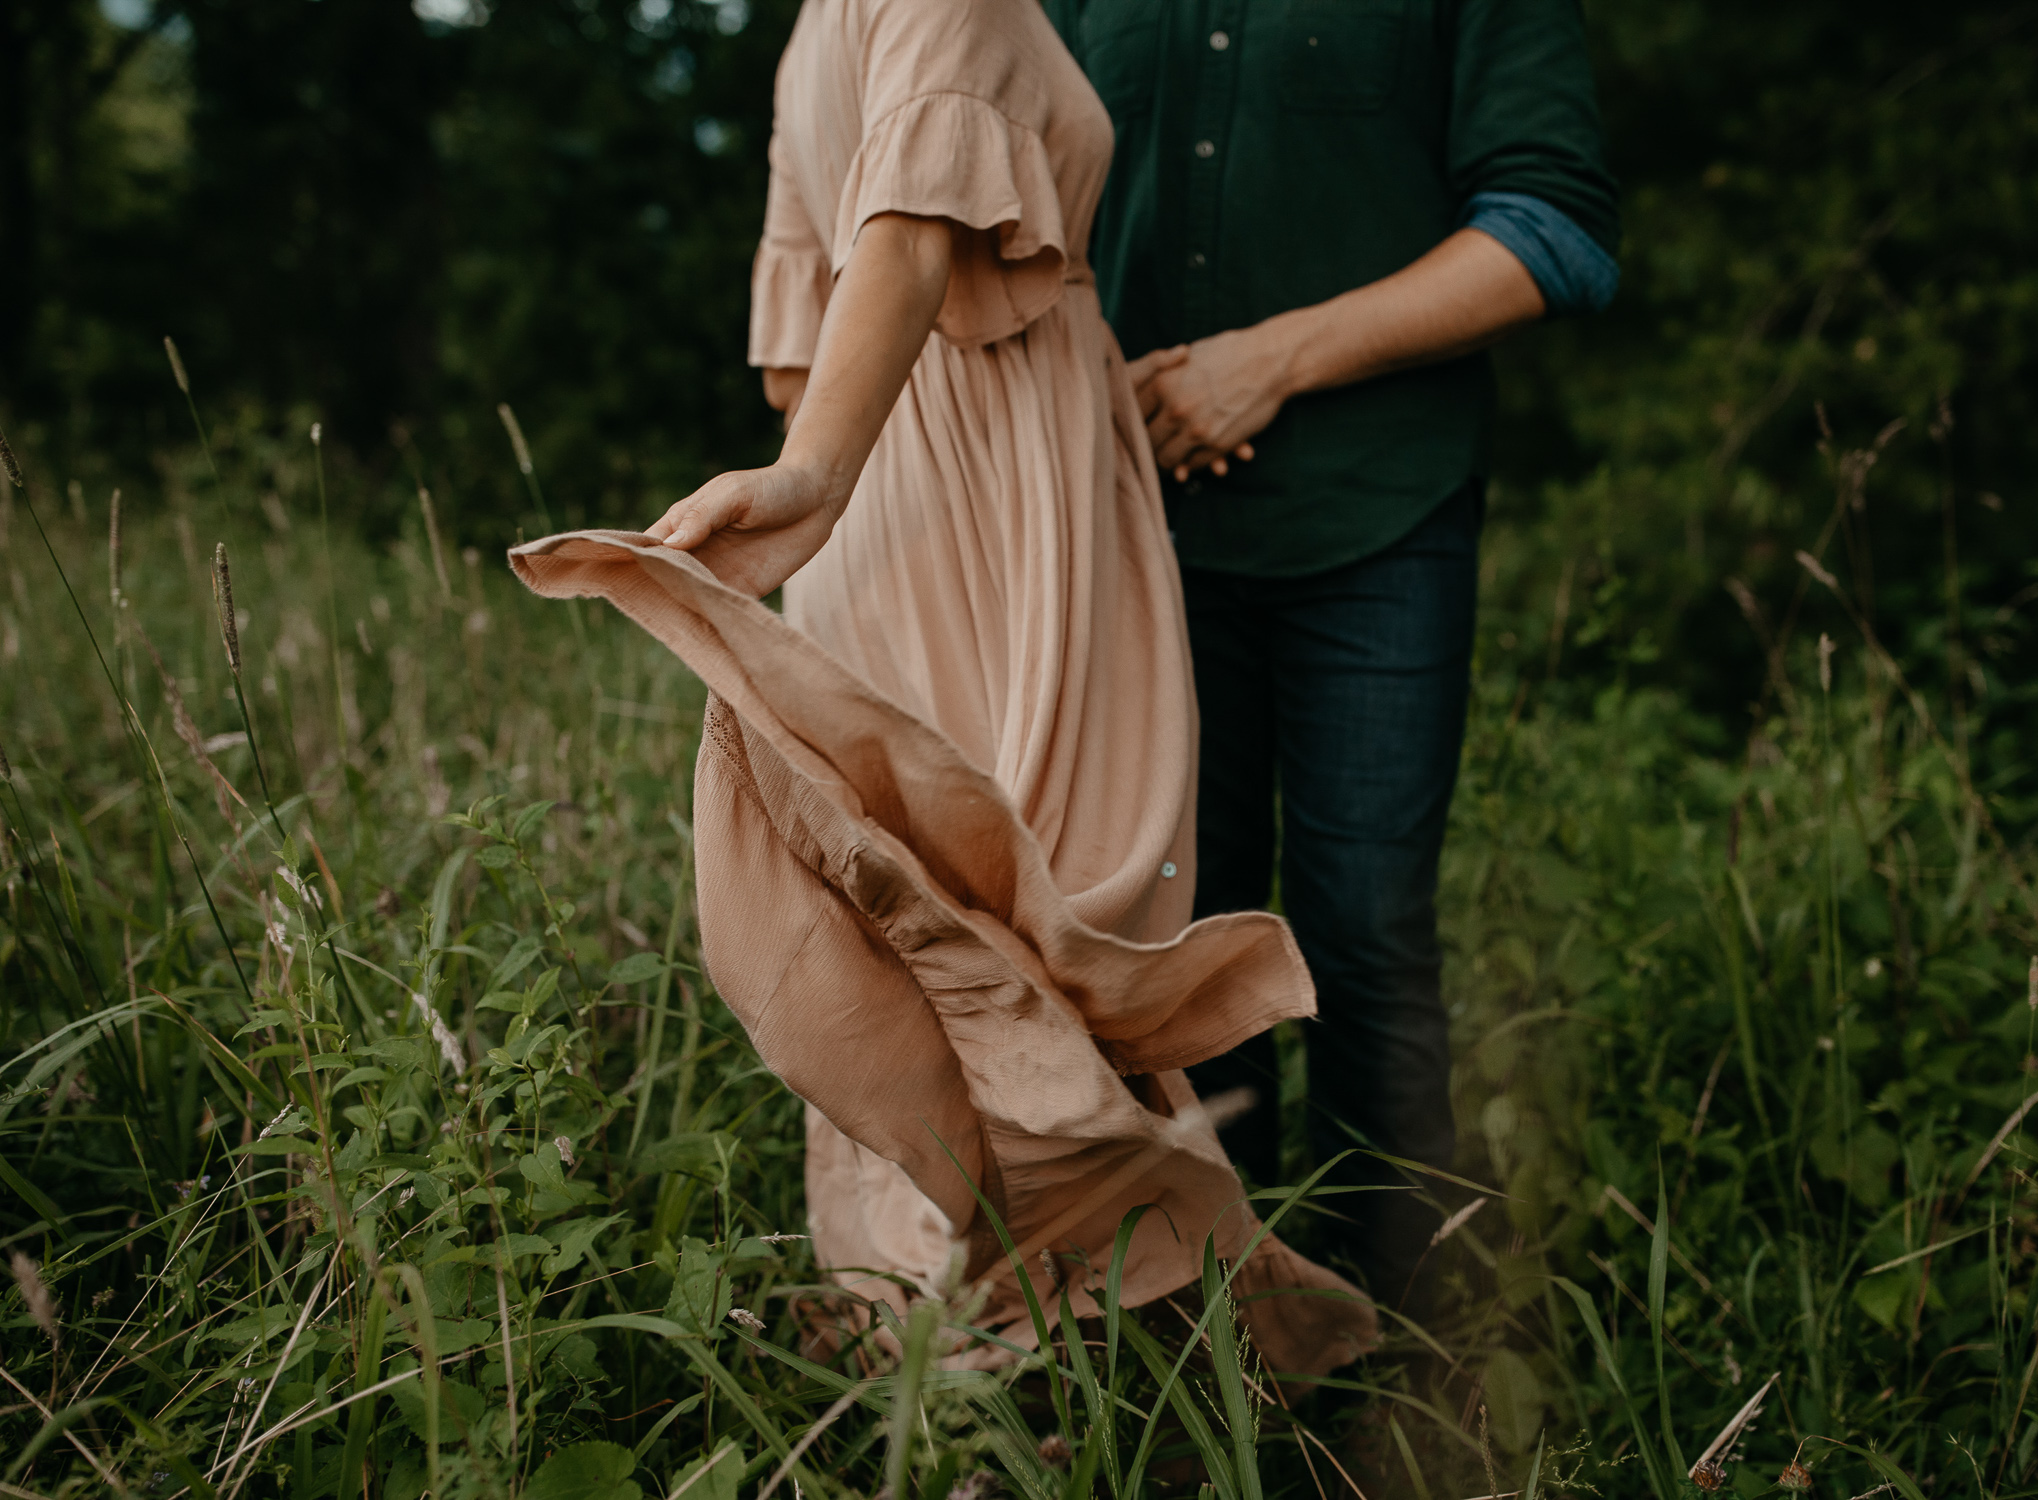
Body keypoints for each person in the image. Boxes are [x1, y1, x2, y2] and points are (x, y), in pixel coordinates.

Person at [509, 0, 1376, 1376]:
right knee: (1026, 899)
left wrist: (833, 476)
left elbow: (808, 331)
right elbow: (908, 241)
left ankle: (931, 1339)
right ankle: (1035, 1359)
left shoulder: (808, 36)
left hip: (887, 509)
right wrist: (817, 479)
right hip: (996, 488)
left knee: (941, 910)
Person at [1043, 0, 1620, 1308]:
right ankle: (1210, 1339)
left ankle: (1392, 1351)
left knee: (1362, 938)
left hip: (1377, 515)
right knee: (1171, 949)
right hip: (1131, 530)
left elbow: (1555, 230)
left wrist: (1269, 363)